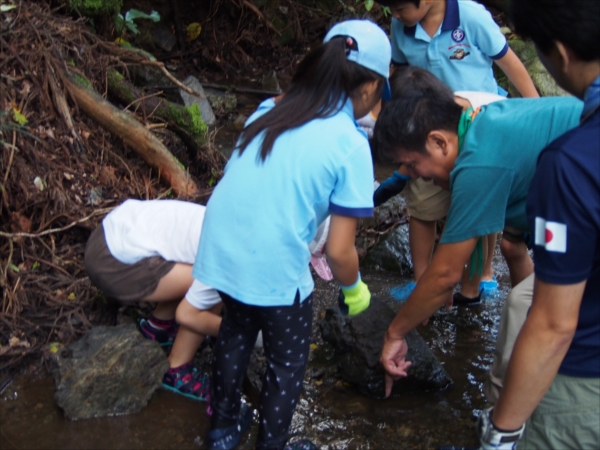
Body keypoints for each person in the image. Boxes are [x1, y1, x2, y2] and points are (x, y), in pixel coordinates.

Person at [193, 19, 391, 450]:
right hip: (275, 269)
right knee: (286, 365)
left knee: (235, 334)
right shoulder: (351, 144)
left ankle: (222, 431)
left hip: (221, 252)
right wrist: (355, 290)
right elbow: (339, 252)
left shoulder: (271, 108)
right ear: (370, 86)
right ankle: (273, 444)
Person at [374, 89, 583, 398]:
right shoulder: (481, 124)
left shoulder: (478, 163)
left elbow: (446, 273)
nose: (417, 176)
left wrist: (395, 333)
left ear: (439, 142)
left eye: (413, 165)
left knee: (522, 310)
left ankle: (506, 426)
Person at [476, 1, 600, 448]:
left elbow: (553, 324)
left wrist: (502, 431)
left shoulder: (571, 162)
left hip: (582, 381)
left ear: (560, 54)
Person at [369, 0, 540, 304]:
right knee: (421, 204)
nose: (395, 16)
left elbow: (510, 64)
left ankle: (481, 276)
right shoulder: (401, 27)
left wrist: (535, 109)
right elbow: (402, 76)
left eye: (399, 8)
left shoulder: (470, 17)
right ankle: (422, 280)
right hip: (426, 132)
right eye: (392, 11)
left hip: (481, 126)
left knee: (481, 206)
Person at [375, 67, 506, 308]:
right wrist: (400, 176)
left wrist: (444, 281)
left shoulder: (477, 123)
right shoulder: (429, 118)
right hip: (460, 148)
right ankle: (424, 283)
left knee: (480, 221)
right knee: (425, 206)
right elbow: (415, 148)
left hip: (485, 152)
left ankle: (473, 288)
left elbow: (471, 217)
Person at [84, 199, 221, 401]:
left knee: (204, 271)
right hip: (111, 263)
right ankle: (177, 369)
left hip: (107, 232)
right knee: (217, 283)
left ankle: (159, 328)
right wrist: (246, 333)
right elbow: (189, 313)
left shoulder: (224, 222)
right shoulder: (228, 257)